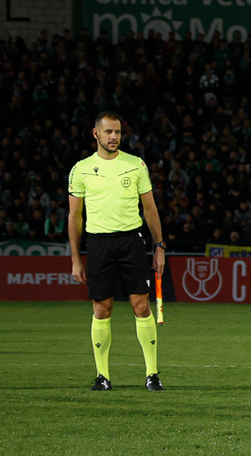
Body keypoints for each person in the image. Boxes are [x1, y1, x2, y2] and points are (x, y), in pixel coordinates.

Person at [68, 111, 166, 392]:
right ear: (95, 133)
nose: (114, 137)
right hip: (98, 244)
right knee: (102, 308)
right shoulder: (81, 169)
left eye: (118, 132)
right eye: (109, 132)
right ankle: (103, 376)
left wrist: (159, 246)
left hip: (131, 242)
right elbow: (75, 218)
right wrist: (76, 259)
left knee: (142, 306)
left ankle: (152, 374)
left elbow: (150, 209)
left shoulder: (135, 165)